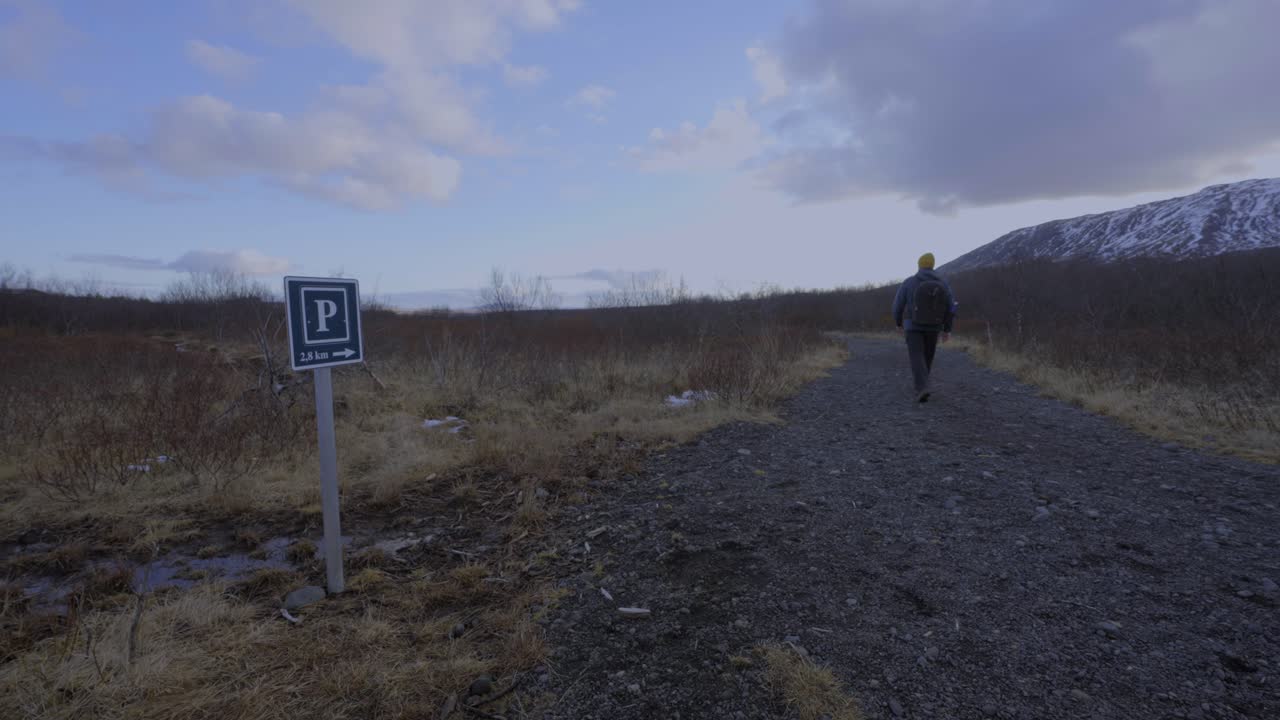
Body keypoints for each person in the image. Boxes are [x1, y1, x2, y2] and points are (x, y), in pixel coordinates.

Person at [891, 253, 957, 403]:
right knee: (927, 356)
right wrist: (947, 329)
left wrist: (898, 323)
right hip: (934, 326)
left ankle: (922, 388)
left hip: (912, 326)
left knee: (916, 356)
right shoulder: (943, 283)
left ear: (919, 265)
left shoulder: (909, 282)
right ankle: (923, 386)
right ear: (933, 265)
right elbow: (951, 307)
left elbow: (897, 305)